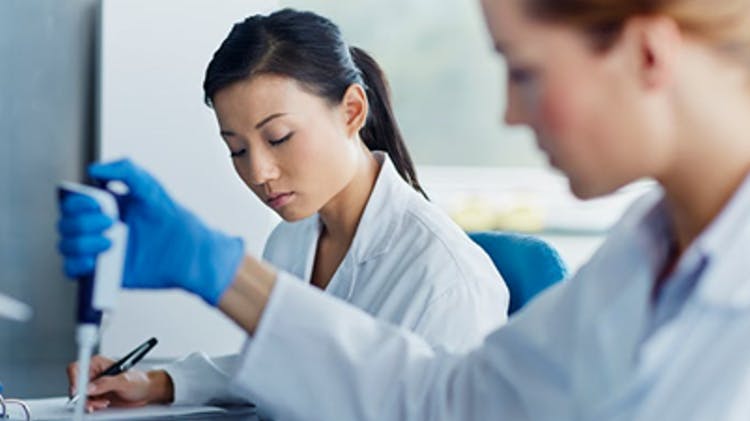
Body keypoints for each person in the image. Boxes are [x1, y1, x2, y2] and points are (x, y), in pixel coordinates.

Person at [58, 0, 750, 418]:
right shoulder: (644, 251)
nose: (509, 112)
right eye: (237, 147)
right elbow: (446, 401)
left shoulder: (448, 271)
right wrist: (213, 274)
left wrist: (219, 270)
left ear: (647, 53)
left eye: (525, 70)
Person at [59, 9, 510, 413]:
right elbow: (292, 360)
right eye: (236, 149)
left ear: (351, 111)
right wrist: (157, 382)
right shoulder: (292, 237)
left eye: (278, 138)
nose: (259, 171)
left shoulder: (448, 281)